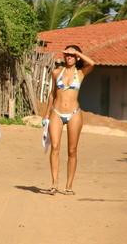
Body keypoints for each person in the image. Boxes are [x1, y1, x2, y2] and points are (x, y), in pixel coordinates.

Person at [43, 45, 95, 195]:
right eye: (67, 54)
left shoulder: (80, 73)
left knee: (72, 150)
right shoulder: (56, 72)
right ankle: (54, 184)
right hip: (57, 113)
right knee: (55, 147)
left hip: (74, 114)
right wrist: (46, 114)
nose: (69, 57)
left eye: (72, 55)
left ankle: (69, 186)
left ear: (77, 57)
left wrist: (77, 52)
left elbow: (92, 64)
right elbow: (53, 94)